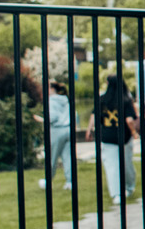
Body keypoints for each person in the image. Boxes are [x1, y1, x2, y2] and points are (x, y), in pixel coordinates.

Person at [85, 74, 138, 204]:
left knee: (112, 166)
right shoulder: (125, 99)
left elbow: (94, 115)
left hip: (107, 136)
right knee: (127, 164)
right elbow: (129, 119)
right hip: (124, 137)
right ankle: (129, 187)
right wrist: (134, 132)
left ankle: (117, 194)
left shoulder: (102, 99)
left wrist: (89, 129)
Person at [33, 81, 74, 191]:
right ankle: (70, 182)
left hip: (57, 130)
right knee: (68, 157)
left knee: (52, 157)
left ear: (51, 89)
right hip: (68, 128)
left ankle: (48, 180)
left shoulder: (51, 101)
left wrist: (40, 120)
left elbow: (52, 118)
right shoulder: (65, 99)